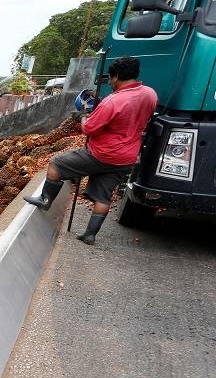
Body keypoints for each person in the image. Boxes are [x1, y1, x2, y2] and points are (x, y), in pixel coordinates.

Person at [24, 57, 158, 245]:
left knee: (56, 164)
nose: (111, 83)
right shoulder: (150, 94)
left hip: (102, 154)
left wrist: (85, 116)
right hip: (126, 157)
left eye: (111, 79)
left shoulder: (113, 101)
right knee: (103, 195)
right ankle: (90, 234)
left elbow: (89, 128)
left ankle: (45, 200)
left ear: (117, 76)